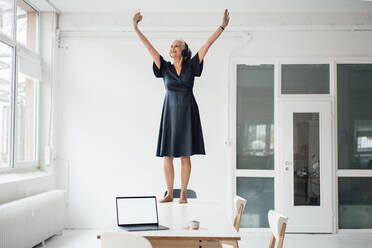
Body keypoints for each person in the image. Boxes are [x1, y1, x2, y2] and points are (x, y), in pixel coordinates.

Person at [133, 9, 230, 204]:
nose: (173, 47)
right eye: (172, 46)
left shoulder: (192, 65)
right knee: (167, 155)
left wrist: (222, 27)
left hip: (187, 110)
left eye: (177, 45)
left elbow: (208, 44)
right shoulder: (164, 67)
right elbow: (149, 46)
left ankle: (183, 193)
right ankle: (170, 193)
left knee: (185, 154)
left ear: (184, 50)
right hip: (169, 111)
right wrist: (135, 27)